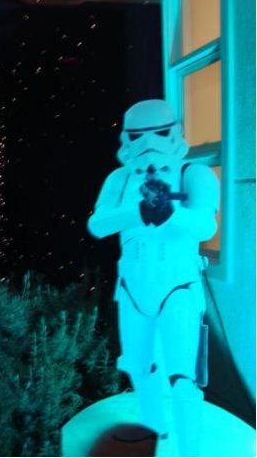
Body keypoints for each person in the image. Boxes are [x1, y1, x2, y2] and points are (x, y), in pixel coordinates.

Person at [87, 99, 219, 456]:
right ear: (126, 138)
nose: (149, 144)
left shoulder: (194, 174)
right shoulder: (119, 178)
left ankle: (190, 450)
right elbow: (98, 224)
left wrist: (168, 213)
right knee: (141, 369)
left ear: (174, 132)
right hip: (133, 287)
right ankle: (156, 435)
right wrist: (140, 211)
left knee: (183, 379)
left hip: (178, 287)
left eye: (159, 133)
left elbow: (204, 225)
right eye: (139, 135)